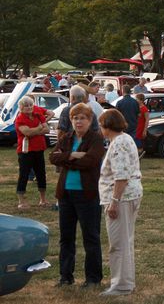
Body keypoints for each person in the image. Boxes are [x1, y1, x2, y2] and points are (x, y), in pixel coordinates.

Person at [50, 103, 106, 287]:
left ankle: (93, 278)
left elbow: (91, 161)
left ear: (90, 121)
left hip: (87, 194)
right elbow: (52, 157)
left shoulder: (96, 139)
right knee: (66, 238)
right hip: (65, 194)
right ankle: (65, 276)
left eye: (82, 118)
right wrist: (73, 155)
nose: (78, 121)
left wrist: (66, 160)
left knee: (90, 237)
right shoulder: (66, 138)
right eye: (75, 118)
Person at [98, 109, 143, 296]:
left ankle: (121, 285)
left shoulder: (119, 143)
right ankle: (125, 282)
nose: (100, 129)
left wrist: (114, 201)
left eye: (101, 125)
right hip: (127, 196)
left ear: (107, 126)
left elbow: (121, 176)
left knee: (118, 243)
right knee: (125, 241)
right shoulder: (124, 139)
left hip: (122, 198)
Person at [15, 96, 50, 209]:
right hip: (25, 150)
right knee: (23, 175)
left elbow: (47, 129)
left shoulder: (38, 115)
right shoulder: (20, 118)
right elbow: (27, 133)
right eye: (26, 106)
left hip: (39, 149)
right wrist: (39, 128)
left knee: (41, 174)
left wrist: (34, 130)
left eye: (30, 105)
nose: (29, 107)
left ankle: (43, 200)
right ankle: (21, 201)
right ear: (21, 107)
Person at [134, 93, 149, 158]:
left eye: (136, 99)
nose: (135, 100)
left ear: (141, 100)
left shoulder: (144, 109)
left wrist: (144, 130)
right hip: (135, 128)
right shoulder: (136, 108)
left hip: (141, 129)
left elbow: (147, 120)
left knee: (139, 145)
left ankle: (140, 156)